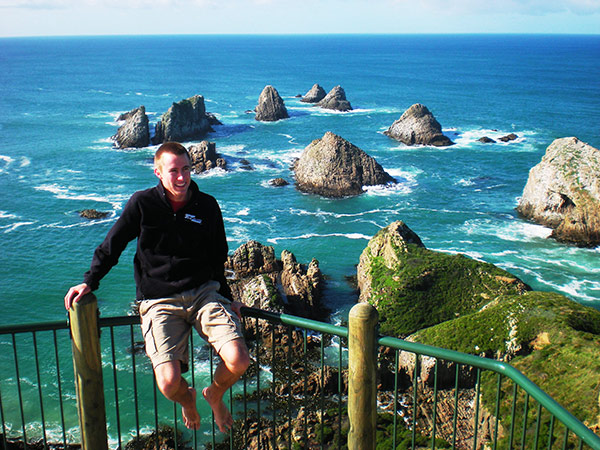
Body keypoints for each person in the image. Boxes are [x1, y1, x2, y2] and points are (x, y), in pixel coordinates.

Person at [64, 141, 250, 432]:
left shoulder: (207, 206)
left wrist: (229, 299)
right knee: (168, 382)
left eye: (186, 169)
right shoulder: (142, 204)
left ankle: (215, 392)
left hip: (203, 294)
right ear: (158, 173)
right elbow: (113, 244)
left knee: (239, 359)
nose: (182, 177)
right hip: (159, 300)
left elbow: (218, 257)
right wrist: (90, 281)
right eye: (173, 171)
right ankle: (189, 400)